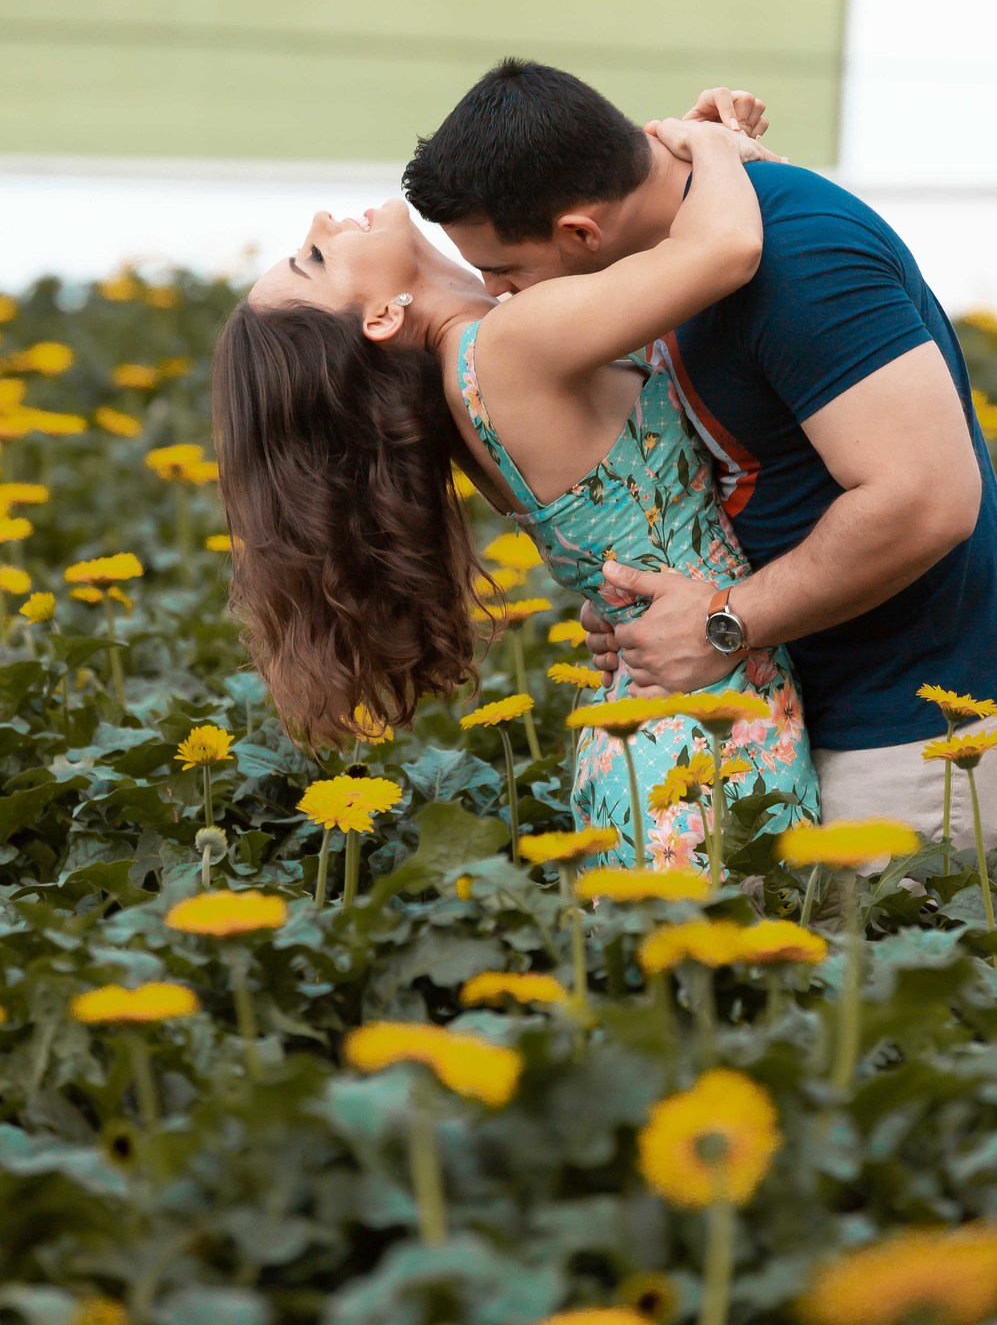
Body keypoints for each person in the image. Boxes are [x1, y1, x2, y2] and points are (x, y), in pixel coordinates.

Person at [404, 59, 997, 850]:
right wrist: (657, 608)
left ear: (581, 232)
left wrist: (724, 622)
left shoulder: (800, 257)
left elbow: (925, 498)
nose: (501, 294)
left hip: (932, 745)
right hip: (817, 726)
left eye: (505, 271)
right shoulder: (667, 257)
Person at [212, 101, 819, 872]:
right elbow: (728, 247)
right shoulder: (507, 349)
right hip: (702, 731)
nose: (324, 220)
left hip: (651, 723)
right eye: (317, 259)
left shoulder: (470, 377)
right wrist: (704, 143)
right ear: (378, 320)